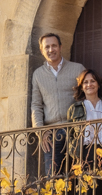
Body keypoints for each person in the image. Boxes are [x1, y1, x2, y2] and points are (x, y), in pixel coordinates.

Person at [30, 33, 85, 177]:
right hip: (52, 134)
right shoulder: (38, 75)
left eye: (54, 46)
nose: (51, 50)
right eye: (47, 47)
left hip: (76, 130)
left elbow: (86, 98)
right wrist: (40, 131)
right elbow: (36, 105)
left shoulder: (77, 69)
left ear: (60, 47)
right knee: (53, 178)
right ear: (42, 50)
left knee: (82, 175)